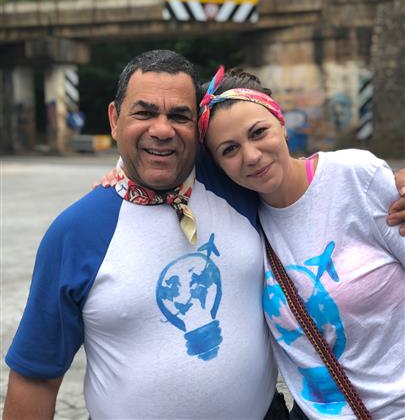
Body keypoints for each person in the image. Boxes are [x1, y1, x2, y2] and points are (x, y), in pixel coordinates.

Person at [4, 50, 289, 420]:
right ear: (114, 119)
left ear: (198, 128)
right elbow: (35, 377)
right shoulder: (75, 232)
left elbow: (314, 185)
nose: (162, 129)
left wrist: (389, 184)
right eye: (144, 112)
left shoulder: (240, 184)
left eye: (179, 116)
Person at [198, 66, 405, 419]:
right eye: (229, 149)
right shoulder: (239, 223)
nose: (251, 156)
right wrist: (120, 174)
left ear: (280, 122)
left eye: (258, 132)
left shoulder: (355, 177)